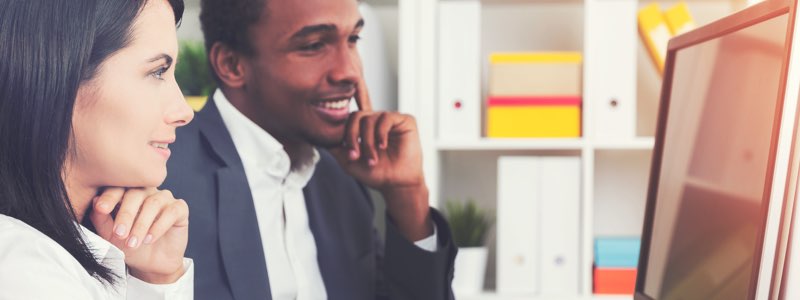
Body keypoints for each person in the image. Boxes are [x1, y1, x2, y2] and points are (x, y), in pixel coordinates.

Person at [160, 0, 457, 299]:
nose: (350, 72)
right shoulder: (162, 178)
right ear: (231, 64)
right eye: (314, 45)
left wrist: (408, 194)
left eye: (352, 39)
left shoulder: (341, 174)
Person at [0, 0, 196, 298]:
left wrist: (157, 277)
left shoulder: (56, 253)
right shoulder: (25, 271)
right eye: (157, 72)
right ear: (63, 77)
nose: (184, 111)